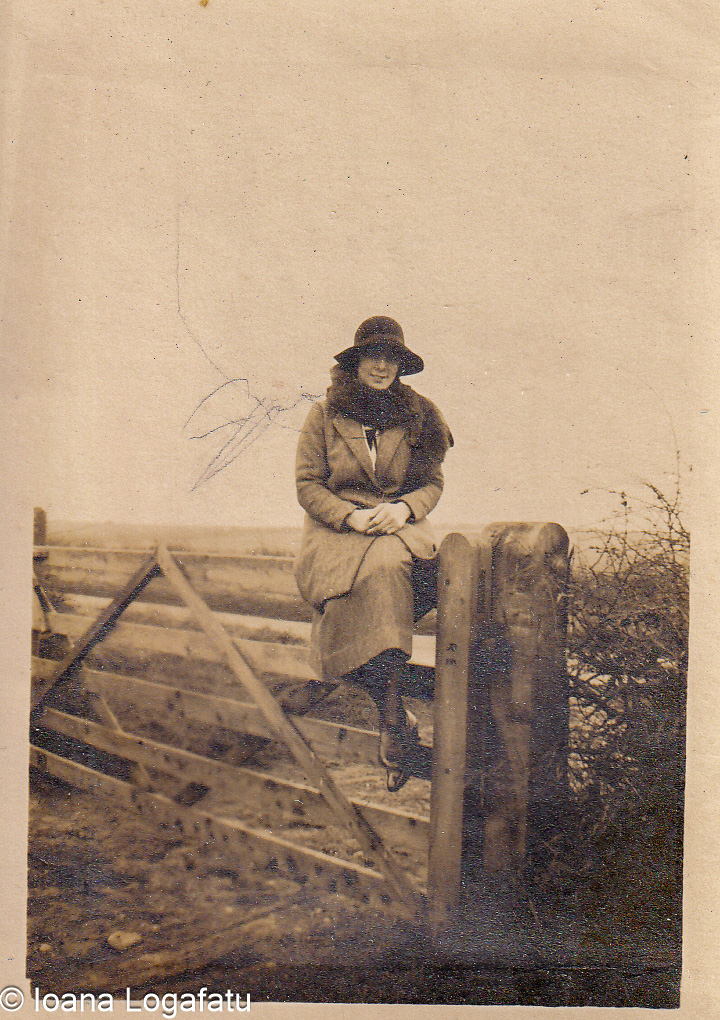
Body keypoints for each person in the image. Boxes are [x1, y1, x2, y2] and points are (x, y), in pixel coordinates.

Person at [294, 316, 453, 790]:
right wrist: (349, 516)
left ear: (400, 366)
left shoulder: (420, 414)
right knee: (379, 574)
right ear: (357, 361)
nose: (381, 366)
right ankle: (393, 722)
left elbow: (432, 482)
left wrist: (405, 508)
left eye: (391, 358)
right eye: (373, 356)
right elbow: (307, 484)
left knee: (428, 569)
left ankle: (408, 715)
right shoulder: (323, 415)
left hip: (396, 526)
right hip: (337, 531)